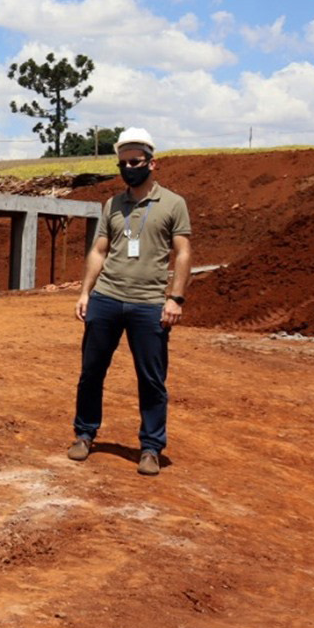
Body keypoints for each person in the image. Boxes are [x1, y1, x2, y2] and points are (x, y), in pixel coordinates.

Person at [68, 127, 191, 476]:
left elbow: (182, 254)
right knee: (91, 373)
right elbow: (99, 250)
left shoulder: (173, 204)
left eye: (135, 161)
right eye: (123, 163)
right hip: (106, 299)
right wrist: (85, 292)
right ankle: (84, 434)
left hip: (149, 304)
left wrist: (175, 299)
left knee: (151, 379)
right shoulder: (112, 204)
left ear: (152, 164)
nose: (128, 168)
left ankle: (151, 446)